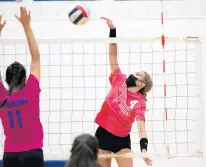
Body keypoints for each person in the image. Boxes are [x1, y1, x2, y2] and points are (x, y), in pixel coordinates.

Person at [94, 17, 153, 167]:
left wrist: (144, 150)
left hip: (122, 140)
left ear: (142, 84)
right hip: (103, 136)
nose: (135, 74)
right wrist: (112, 30)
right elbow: (113, 55)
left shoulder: (140, 102)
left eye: (139, 74)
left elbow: (141, 129)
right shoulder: (119, 79)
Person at [0, 7, 44, 167]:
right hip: (33, 154)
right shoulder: (31, 89)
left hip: (10, 155)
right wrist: (26, 26)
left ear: (5, 80)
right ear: (25, 79)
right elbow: (36, 58)